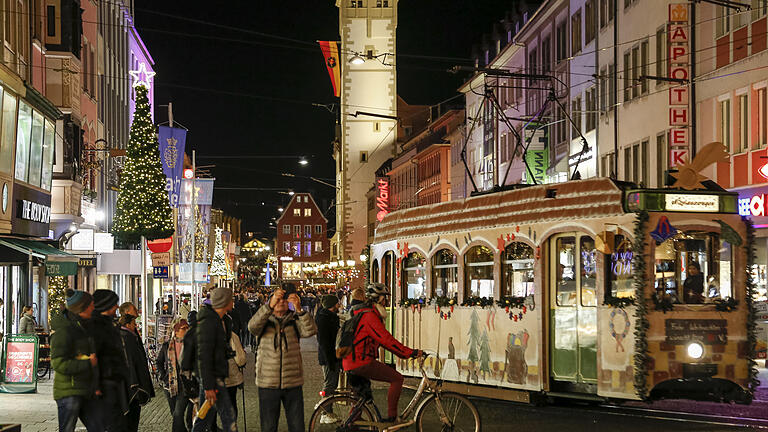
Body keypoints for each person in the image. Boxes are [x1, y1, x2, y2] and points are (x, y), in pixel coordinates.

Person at [344, 284, 422, 424]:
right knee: (397, 379)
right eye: (385, 298)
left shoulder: (362, 313)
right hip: (361, 361)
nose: (386, 301)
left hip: (351, 360)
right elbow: (387, 341)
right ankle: (393, 417)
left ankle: (353, 422)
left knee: (361, 394)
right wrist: (410, 353)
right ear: (379, 299)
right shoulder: (369, 317)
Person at [248, 284, 317, 432]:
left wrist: (299, 309)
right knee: (268, 426)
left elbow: (310, 330)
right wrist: (269, 306)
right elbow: (252, 327)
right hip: (268, 382)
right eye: (278, 300)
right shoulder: (264, 321)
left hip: (293, 381)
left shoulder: (294, 321)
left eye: (284, 300)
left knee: (297, 425)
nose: (281, 302)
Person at [50, 289, 104, 432]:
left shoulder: (85, 327)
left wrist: (96, 386)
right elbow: (58, 363)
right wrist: (88, 362)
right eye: (91, 305)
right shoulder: (65, 331)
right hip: (69, 392)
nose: (94, 308)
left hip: (86, 390)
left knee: (99, 428)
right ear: (82, 307)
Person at [192, 287, 238, 432]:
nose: (233, 301)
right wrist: (208, 386)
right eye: (231, 299)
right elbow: (204, 356)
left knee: (207, 417)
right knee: (225, 417)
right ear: (225, 301)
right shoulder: (209, 322)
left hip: (215, 377)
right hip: (212, 379)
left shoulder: (222, 320)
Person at [91, 290, 128, 432]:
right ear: (105, 306)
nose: (117, 307)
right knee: (112, 425)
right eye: (114, 304)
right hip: (105, 385)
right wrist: (96, 385)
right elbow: (94, 357)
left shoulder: (109, 325)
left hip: (113, 382)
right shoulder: (98, 327)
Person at [119, 308, 155, 432]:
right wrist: (136, 381)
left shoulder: (127, 336)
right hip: (132, 386)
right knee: (131, 419)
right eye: (134, 324)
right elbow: (132, 361)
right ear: (128, 324)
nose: (136, 326)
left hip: (128, 386)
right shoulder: (128, 337)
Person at [157, 319, 193, 432]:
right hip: (170, 386)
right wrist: (163, 376)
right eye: (184, 328)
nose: (187, 330)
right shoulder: (167, 346)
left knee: (178, 413)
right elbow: (159, 362)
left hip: (184, 385)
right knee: (175, 415)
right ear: (176, 331)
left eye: (188, 327)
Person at [315, 294, 341, 424]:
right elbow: (325, 342)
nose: (339, 305)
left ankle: (326, 409)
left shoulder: (325, 317)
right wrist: (331, 360)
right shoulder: (326, 319)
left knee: (330, 383)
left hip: (329, 356)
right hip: (329, 357)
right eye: (337, 303)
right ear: (332, 305)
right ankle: (325, 411)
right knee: (330, 384)